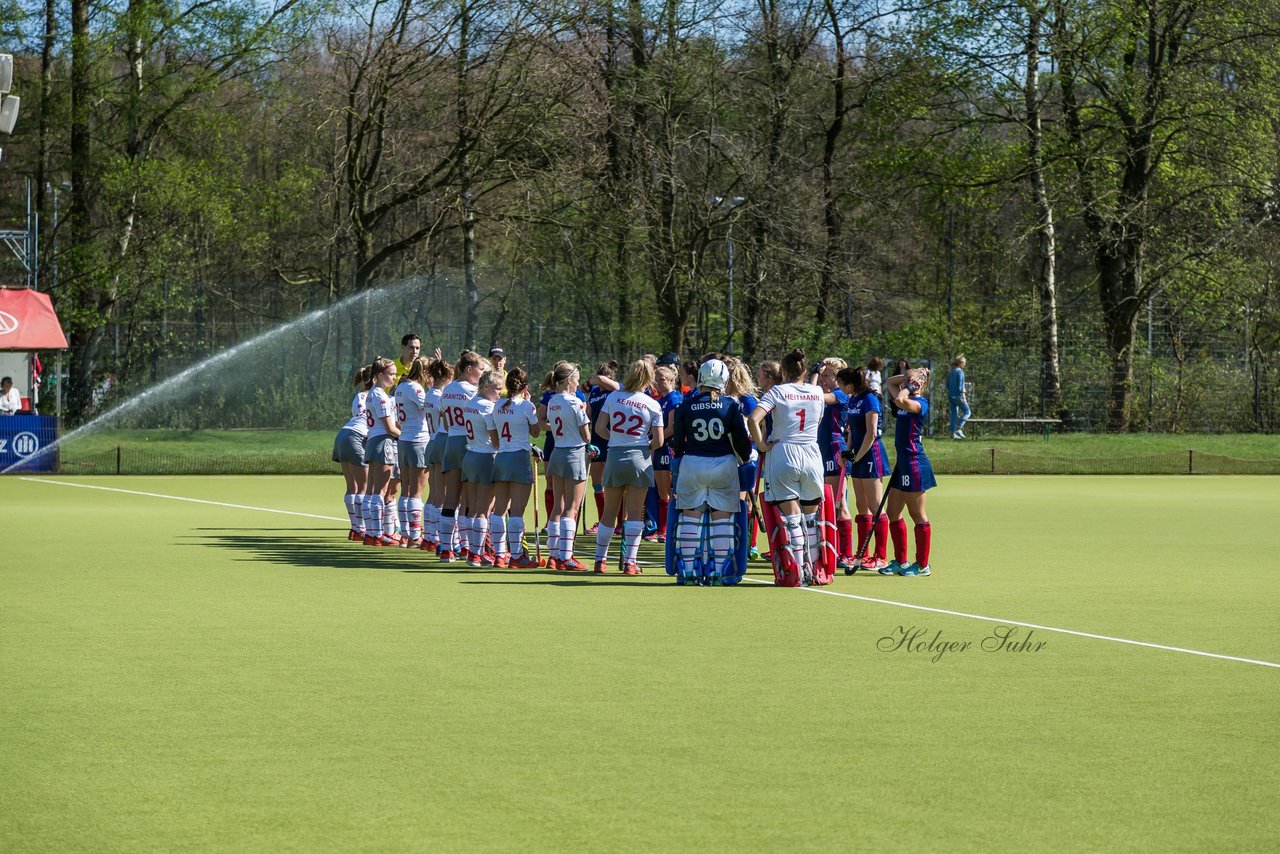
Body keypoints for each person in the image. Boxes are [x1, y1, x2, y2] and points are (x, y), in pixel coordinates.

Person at [669, 359, 753, 584]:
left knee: (690, 518)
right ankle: (718, 571)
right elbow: (742, 441)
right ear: (724, 380)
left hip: (693, 463)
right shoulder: (731, 404)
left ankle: (687, 571)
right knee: (722, 520)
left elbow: (677, 444)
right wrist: (745, 460)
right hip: (723, 464)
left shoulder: (685, 405)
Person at [748, 349, 826, 580]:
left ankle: (798, 571)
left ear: (783, 371)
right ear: (804, 370)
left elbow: (753, 419)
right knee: (811, 519)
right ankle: (814, 570)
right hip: (811, 452)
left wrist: (761, 445)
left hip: (784, 452)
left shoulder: (778, 391)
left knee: (791, 518)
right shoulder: (817, 392)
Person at [592, 359, 663, 575]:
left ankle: (600, 561)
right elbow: (658, 441)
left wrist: (615, 439)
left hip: (614, 455)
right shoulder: (652, 403)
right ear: (649, 378)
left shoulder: (614, 397)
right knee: (634, 514)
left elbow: (599, 428)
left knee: (608, 513)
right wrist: (644, 446)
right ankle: (631, 563)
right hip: (640, 458)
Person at [488, 368, 543, 568]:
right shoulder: (526, 406)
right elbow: (536, 432)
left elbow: (494, 438)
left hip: (501, 457)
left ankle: (499, 555)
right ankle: (517, 556)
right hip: (519, 457)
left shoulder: (497, 405)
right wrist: (530, 405)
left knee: (499, 510)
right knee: (517, 511)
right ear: (525, 386)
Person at [837, 366, 890, 571]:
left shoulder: (870, 399)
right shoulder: (853, 399)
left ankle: (881, 556)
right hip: (858, 457)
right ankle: (862, 553)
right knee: (861, 506)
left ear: (850, 384)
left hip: (871, 456)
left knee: (875, 505)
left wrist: (857, 457)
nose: (839, 388)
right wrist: (847, 452)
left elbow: (871, 433)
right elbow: (852, 431)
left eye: (841, 385)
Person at [884, 368, 936, 576]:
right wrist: (910, 377)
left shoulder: (920, 404)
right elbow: (889, 382)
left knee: (917, 514)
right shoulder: (906, 394)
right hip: (902, 463)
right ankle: (900, 561)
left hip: (915, 462)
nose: (905, 383)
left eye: (911, 381)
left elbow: (900, 401)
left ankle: (922, 565)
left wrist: (911, 385)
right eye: (905, 380)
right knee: (893, 513)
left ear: (921, 385)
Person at [542, 362, 593, 571]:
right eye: (577, 378)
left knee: (558, 505)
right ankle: (567, 557)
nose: (579, 383)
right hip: (574, 453)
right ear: (569, 380)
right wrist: (591, 445)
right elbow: (586, 434)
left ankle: (554, 556)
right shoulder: (575, 402)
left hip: (558, 452)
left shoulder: (552, 400)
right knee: (571, 507)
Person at [437, 350, 484, 562]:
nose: (482, 374)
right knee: (470, 500)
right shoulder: (473, 392)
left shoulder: (448, 390)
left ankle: (445, 549)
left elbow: (445, 421)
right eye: (481, 369)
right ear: (469, 369)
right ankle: (468, 549)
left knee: (450, 498)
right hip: (469, 443)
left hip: (451, 441)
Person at [815, 357, 854, 568]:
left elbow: (815, 398)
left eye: (828, 375)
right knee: (826, 503)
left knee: (839, 503)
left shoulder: (840, 394)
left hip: (835, 447)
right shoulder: (825, 392)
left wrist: (812, 379)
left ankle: (846, 553)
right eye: (822, 374)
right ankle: (833, 548)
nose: (823, 378)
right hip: (821, 447)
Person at [461, 370, 503, 566]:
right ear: (486, 386)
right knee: (483, 510)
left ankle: (473, 551)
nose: (500, 392)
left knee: (474, 508)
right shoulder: (487, 407)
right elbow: (495, 441)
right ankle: (477, 554)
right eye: (497, 388)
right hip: (485, 457)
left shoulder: (471, 403)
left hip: (470, 455)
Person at [361, 357, 402, 546]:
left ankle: (371, 533)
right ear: (379, 375)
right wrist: (407, 437)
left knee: (372, 491)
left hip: (372, 441)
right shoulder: (381, 396)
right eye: (391, 374)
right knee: (380, 491)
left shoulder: (372, 394)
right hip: (382, 442)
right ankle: (377, 534)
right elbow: (390, 429)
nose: (394, 378)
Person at [394, 357, 432, 547]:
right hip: (418, 440)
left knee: (407, 490)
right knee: (416, 491)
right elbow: (430, 409)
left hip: (404, 439)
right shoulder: (416, 388)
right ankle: (415, 535)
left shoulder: (401, 386)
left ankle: (406, 534)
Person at [333, 365, 373, 539]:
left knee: (352, 486)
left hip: (343, 434)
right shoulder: (379, 396)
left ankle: (355, 529)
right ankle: (362, 529)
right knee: (364, 486)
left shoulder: (359, 395)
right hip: (358, 436)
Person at [646, 364, 682, 542]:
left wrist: (652, 438)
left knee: (669, 490)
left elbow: (671, 428)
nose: (658, 383)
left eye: (661, 379)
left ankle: (668, 529)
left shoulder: (675, 399)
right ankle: (661, 528)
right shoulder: (660, 401)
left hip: (669, 447)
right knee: (661, 491)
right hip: (658, 447)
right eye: (656, 380)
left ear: (671, 380)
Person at [420, 358, 453, 550]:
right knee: (442, 495)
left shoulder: (429, 394)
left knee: (434, 494)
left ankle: (430, 537)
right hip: (440, 442)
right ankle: (439, 538)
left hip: (431, 442)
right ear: (448, 376)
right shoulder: (440, 396)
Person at [586, 362, 621, 533]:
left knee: (613, 484)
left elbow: (600, 380)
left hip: (611, 439)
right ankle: (602, 521)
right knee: (597, 484)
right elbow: (588, 415)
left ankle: (620, 522)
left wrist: (595, 380)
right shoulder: (594, 392)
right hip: (596, 440)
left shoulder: (616, 390)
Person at [948, 355, 970, 439]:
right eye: (964, 363)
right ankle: (958, 428)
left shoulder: (951, 372)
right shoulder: (960, 372)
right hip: (959, 396)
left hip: (951, 395)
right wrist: (963, 397)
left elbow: (947, 384)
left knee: (954, 414)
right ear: (960, 363)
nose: (965, 364)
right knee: (967, 412)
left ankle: (952, 432)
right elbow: (961, 386)